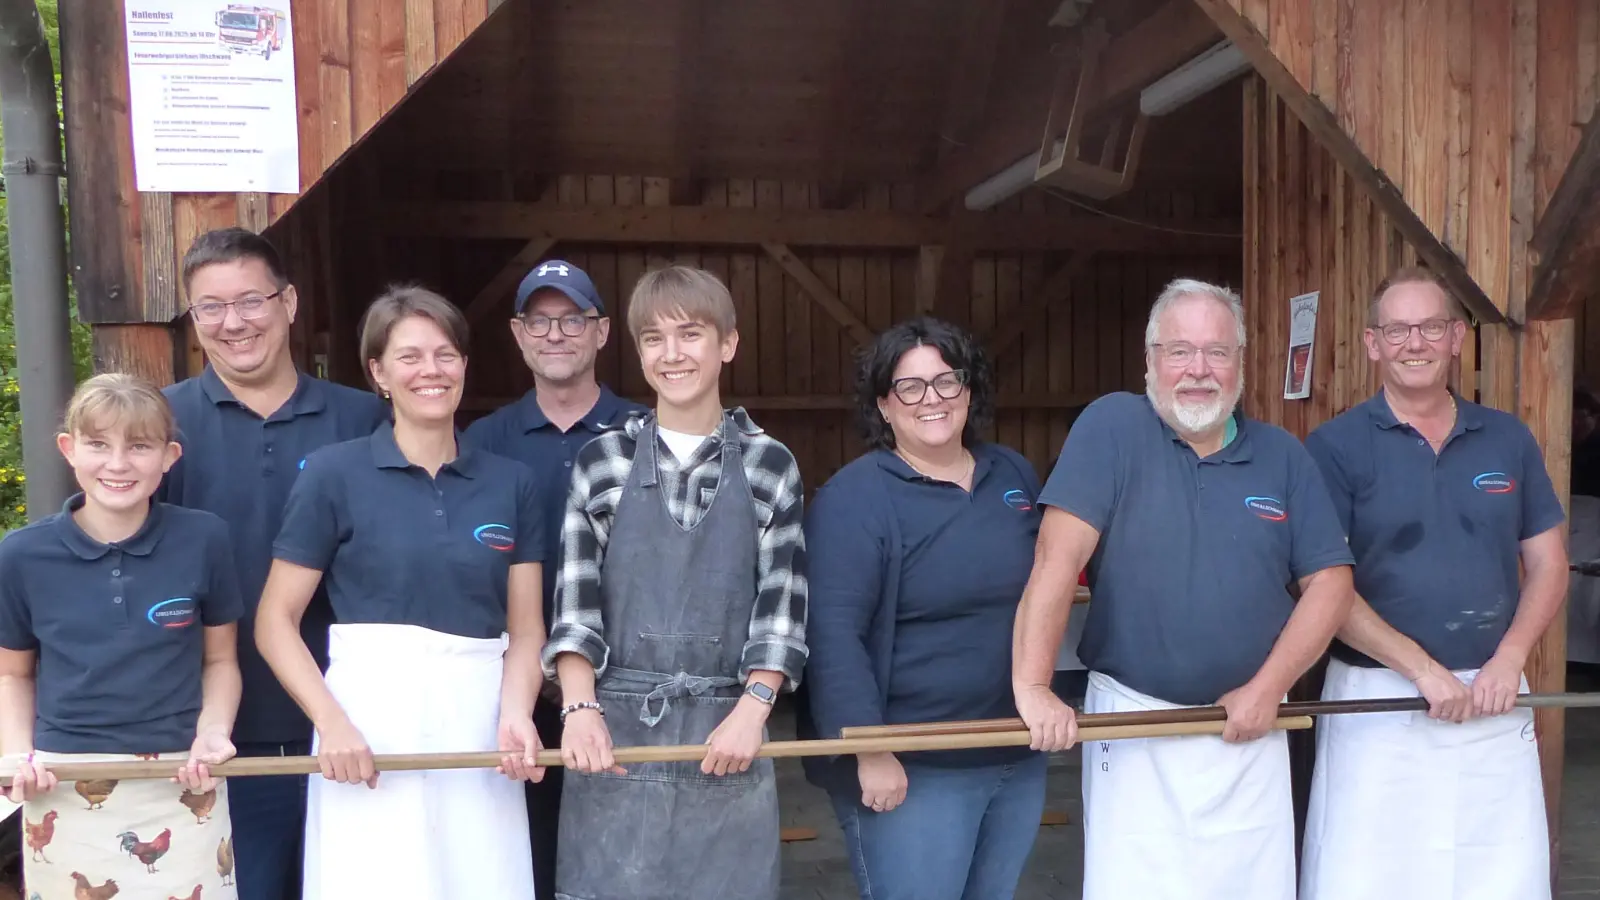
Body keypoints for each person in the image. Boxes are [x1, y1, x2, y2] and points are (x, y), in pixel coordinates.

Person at [1009, 278, 1356, 900]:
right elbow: (1056, 561)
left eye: (1217, 352)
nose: (1199, 370)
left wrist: (1268, 688)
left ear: (1241, 364)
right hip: (1136, 724)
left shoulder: (1282, 456)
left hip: (1249, 730)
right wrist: (1033, 687)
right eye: (1179, 351)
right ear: (1150, 361)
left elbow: (1331, 583)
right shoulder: (1112, 426)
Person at [254, 286, 546, 899]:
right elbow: (275, 621)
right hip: (368, 718)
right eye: (409, 356)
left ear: (465, 365)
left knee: (482, 878)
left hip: (480, 717)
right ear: (378, 373)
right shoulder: (333, 474)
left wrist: (516, 713)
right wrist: (332, 724)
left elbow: (524, 630)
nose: (431, 371)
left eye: (445, 354)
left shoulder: (512, 483)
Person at [1298, 267, 1568, 900]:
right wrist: (1419, 669)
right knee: (1369, 875)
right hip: (1376, 698)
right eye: (1397, 329)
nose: (1413, 343)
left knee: (1496, 873)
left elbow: (1550, 563)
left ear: (1455, 339)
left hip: (1493, 695)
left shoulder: (1507, 438)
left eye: (1429, 327)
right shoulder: (1334, 448)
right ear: (1372, 343)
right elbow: (1319, 582)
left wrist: (1510, 658)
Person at [541, 265, 807, 900]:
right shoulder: (600, 462)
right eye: (654, 339)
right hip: (613, 727)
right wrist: (579, 710)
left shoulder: (772, 464)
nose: (673, 354)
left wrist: (754, 709)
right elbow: (575, 604)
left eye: (690, 334)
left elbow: (783, 606)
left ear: (728, 345)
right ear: (638, 353)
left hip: (727, 725)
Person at [159, 227, 389, 900]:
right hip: (216, 738)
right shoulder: (158, 425)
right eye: (210, 307)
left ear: (289, 302)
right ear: (194, 319)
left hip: (354, 727)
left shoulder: (364, 420)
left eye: (251, 300)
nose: (233, 323)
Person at [801, 316, 1047, 900]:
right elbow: (834, 634)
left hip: (1015, 753)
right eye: (909, 387)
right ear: (884, 405)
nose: (930, 399)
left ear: (969, 390)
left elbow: (1047, 593)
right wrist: (871, 749)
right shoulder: (854, 500)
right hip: (916, 768)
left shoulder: (1011, 474)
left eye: (946, 381)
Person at [0, 373, 244, 900]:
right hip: (63, 783)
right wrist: (18, 755)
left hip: (184, 777)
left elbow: (220, 661)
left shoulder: (205, 538)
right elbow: (12, 673)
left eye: (138, 446)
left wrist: (214, 732)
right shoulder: (20, 555)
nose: (117, 463)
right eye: (97, 444)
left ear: (169, 456)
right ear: (68, 449)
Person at [462, 260, 646, 900]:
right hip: (515, 696)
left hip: (627, 691)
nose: (556, 333)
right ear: (517, 333)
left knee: (628, 864)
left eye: (573, 319)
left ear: (601, 334)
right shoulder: (481, 443)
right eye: (540, 320)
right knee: (526, 864)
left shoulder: (648, 433)